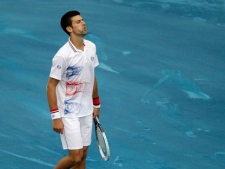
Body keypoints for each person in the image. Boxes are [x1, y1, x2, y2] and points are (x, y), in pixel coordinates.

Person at [46, 10, 101, 169]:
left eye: (82, 20)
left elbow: (92, 77)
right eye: (77, 22)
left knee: (83, 154)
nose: (83, 23)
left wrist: (96, 104)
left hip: (86, 110)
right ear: (69, 29)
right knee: (75, 156)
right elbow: (51, 85)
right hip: (68, 113)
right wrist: (56, 116)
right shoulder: (63, 55)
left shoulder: (91, 47)